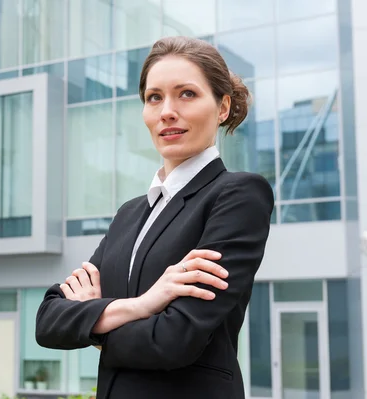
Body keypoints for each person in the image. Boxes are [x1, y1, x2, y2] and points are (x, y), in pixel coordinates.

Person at [35, 36, 274, 399]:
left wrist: (92, 321)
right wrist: (142, 306)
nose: (167, 111)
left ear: (222, 107)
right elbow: (49, 320)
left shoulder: (237, 195)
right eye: (154, 97)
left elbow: (174, 339)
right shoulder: (129, 215)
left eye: (187, 94)